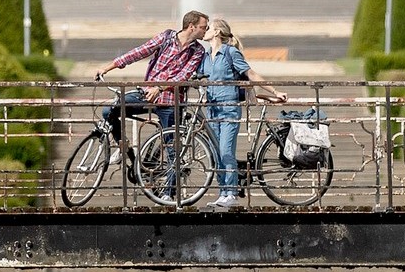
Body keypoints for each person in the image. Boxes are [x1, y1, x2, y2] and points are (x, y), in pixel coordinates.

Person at [95, 11, 212, 170]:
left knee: (172, 150)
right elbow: (139, 52)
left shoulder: (198, 51)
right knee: (109, 111)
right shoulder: (166, 37)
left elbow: (184, 76)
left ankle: (168, 194)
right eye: (203, 27)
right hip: (147, 95)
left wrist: (160, 87)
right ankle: (124, 148)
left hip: (171, 102)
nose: (206, 30)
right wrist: (107, 68)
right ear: (191, 27)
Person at [195, 19, 288, 209]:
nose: (205, 31)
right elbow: (199, 79)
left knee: (226, 151)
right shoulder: (206, 56)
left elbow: (251, 74)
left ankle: (231, 193)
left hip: (229, 109)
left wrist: (275, 91)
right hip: (212, 109)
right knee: (216, 153)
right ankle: (223, 192)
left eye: (209, 28)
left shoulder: (230, 53)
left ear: (217, 32)